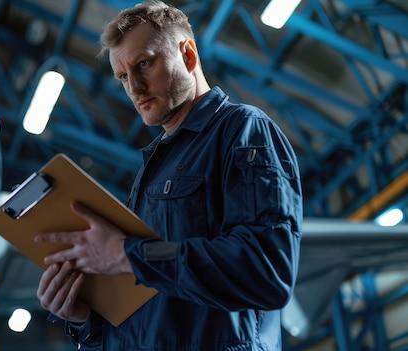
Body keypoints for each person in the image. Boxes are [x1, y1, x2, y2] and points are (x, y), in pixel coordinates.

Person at [34, 0, 303, 350]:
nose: (134, 87)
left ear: (188, 55)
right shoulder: (153, 169)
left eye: (144, 64)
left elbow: (266, 269)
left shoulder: (242, 131)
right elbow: (153, 307)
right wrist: (85, 320)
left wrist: (126, 254)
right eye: (123, 76)